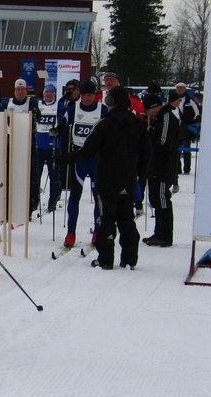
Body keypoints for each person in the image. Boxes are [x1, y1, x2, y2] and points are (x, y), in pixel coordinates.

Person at [56, 86, 151, 270]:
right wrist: (140, 175)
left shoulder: (105, 123)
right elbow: (147, 153)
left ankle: (106, 259)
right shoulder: (138, 123)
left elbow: (87, 151)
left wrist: (63, 159)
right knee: (127, 219)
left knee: (106, 218)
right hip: (128, 178)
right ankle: (130, 258)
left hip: (107, 178)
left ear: (111, 102)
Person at [58, 80, 106, 248]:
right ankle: (71, 233)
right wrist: (57, 130)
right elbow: (63, 123)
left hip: (96, 158)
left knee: (98, 196)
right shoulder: (74, 108)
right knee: (74, 196)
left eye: (90, 95)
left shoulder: (102, 110)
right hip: (79, 158)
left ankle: (97, 232)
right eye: (84, 94)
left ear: (95, 95)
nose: (86, 98)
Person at [142, 92, 181, 247]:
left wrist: (148, 147)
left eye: (148, 109)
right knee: (155, 199)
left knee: (162, 198)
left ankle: (165, 234)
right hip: (155, 167)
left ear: (155, 106)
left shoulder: (167, 118)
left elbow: (164, 144)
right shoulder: (158, 118)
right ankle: (159, 232)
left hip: (164, 167)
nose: (148, 113)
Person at [5, 78, 40, 215]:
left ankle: (32, 203)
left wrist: (36, 115)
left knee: (31, 174)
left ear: (26, 91)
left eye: (22, 89)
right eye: (18, 89)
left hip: (27, 142)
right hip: (12, 142)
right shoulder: (7, 103)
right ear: (14, 91)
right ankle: (11, 203)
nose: (20, 92)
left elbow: (38, 116)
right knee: (12, 174)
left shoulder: (31, 102)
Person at [32, 84, 61, 212]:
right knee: (36, 176)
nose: (48, 94)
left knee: (53, 176)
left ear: (54, 94)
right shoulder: (37, 105)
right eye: (46, 92)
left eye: (51, 92)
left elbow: (65, 122)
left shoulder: (60, 106)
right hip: (39, 146)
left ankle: (52, 201)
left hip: (53, 146)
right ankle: (34, 200)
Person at [174, 82, 201, 175]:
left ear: (185, 89)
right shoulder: (173, 99)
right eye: (178, 88)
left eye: (181, 88)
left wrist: (193, 123)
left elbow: (197, 113)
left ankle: (186, 169)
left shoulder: (190, 100)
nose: (179, 90)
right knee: (176, 149)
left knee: (186, 148)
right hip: (177, 127)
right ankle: (177, 168)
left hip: (187, 128)